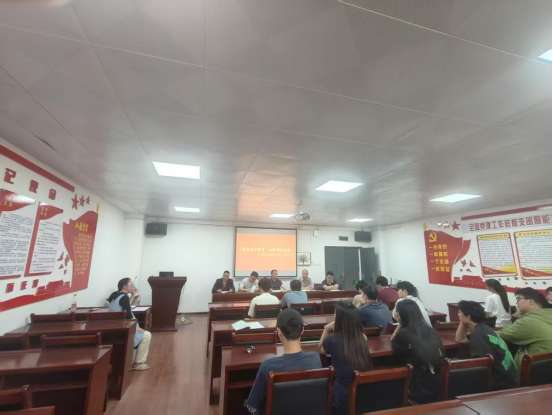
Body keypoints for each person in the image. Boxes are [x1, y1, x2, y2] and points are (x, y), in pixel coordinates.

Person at [245, 309, 322, 414]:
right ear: (302, 330)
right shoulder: (315, 359)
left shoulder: (268, 366)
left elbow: (253, 405)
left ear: (279, 331)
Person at [318, 302, 371, 415]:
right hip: (363, 388)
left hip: (342, 392)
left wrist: (326, 329)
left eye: (335, 313)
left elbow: (321, 349)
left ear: (339, 319)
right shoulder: (363, 337)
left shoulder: (332, 339)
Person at [455, 301, 519, 391]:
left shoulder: (478, 335)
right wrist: (462, 322)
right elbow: (460, 339)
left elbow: (481, 366)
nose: (458, 314)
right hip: (511, 380)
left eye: (459, 312)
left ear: (468, 316)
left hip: (503, 385)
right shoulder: (483, 328)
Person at [392, 300, 445, 404]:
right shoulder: (431, 331)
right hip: (437, 384)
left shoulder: (403, 335)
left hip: (417, 387)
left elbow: (394, 343)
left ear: (400, 316)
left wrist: (400, 324)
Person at [501, 288, 552, 370]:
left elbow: (505, 333)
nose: (517, 303)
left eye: (518, 299)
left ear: (531, 301)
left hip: (534, 372)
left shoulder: (529, 321)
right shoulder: (547, 315)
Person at [107, 278, 152, 371]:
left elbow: (126, 307)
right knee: (147, 335)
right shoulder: (124, 297)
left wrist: (133, 296)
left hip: (115, 327)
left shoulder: (116, 295)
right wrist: (134, 328)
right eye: (131, 284)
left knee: (143, 333)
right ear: (124, 286)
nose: (133, 286)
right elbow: (128, 316)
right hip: (123, 329)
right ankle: (139, 363)